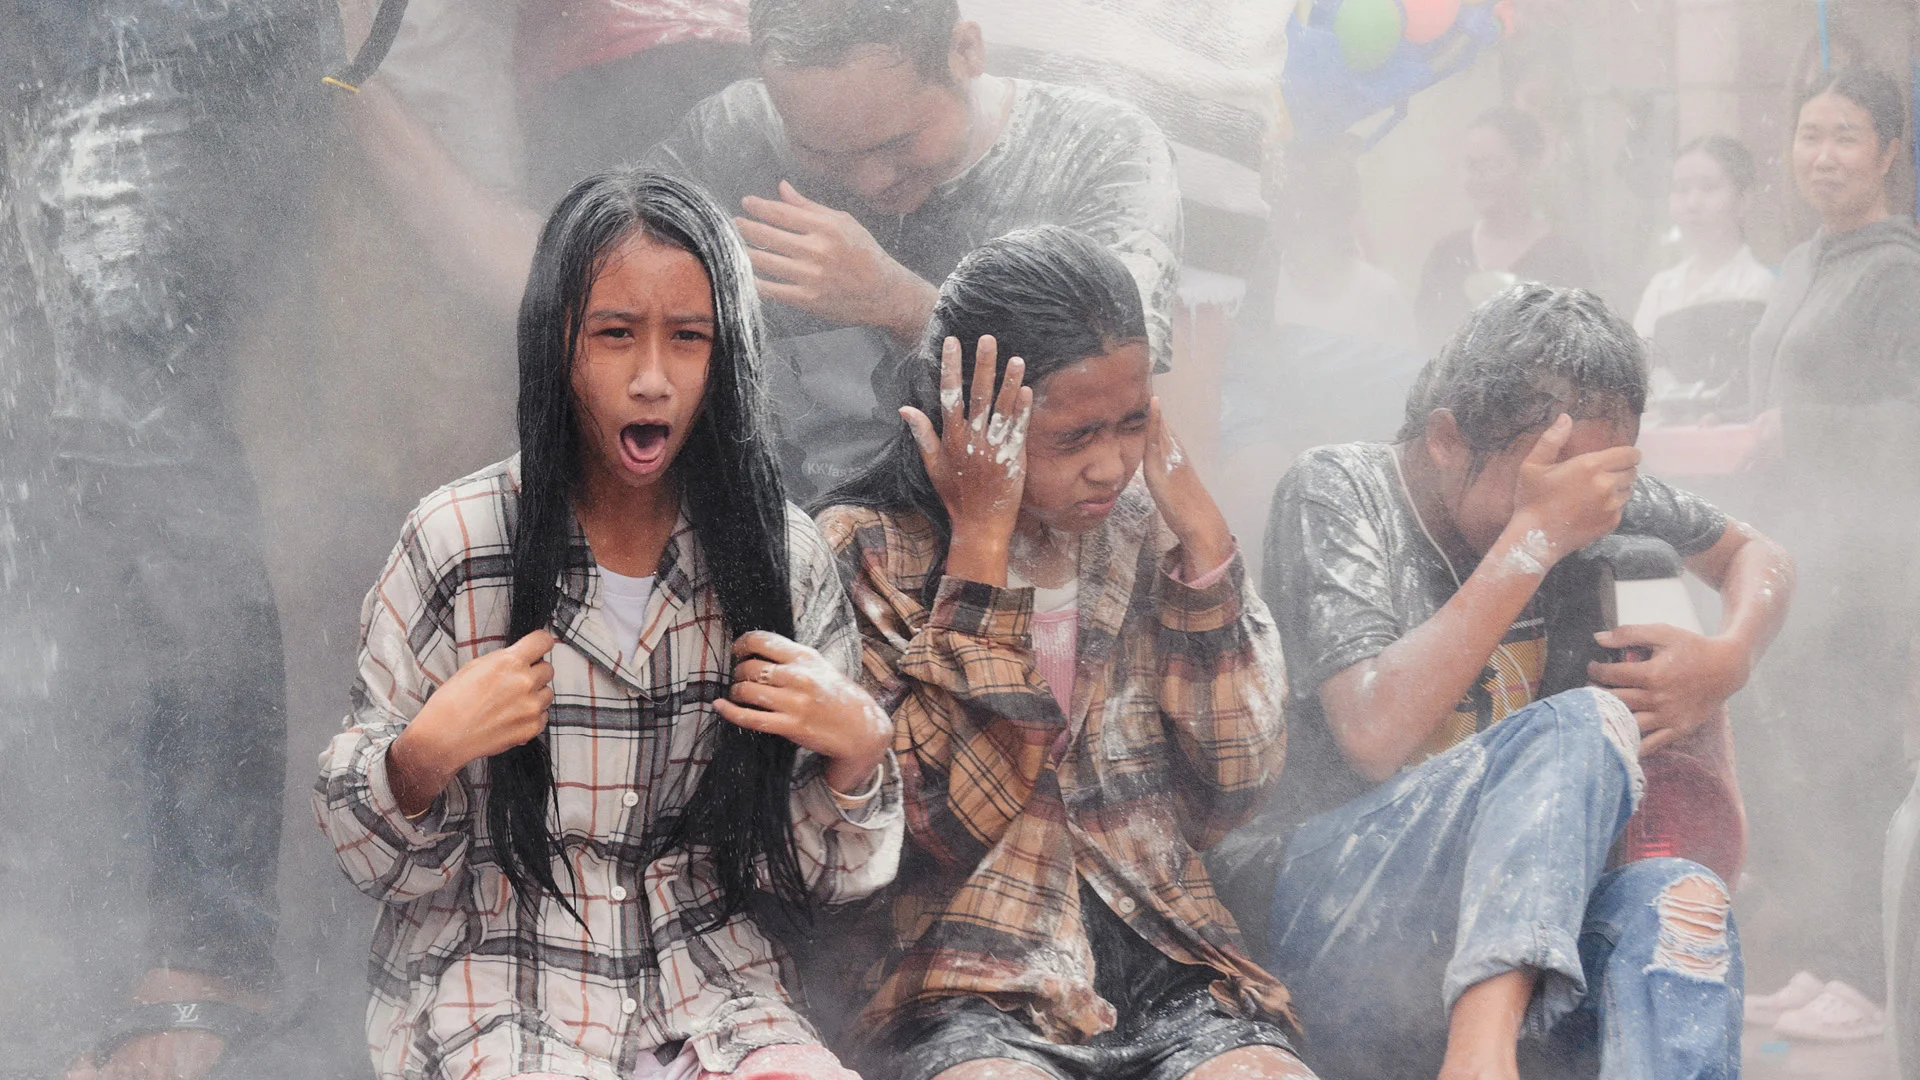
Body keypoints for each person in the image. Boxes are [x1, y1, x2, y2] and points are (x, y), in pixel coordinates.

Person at [313, 171, 903, 1080]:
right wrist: (420, 757)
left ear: (729, 353)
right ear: (560, 344)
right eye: (616, 335)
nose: (652, 379)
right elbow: (370, 865)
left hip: (716, 992)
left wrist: (859, 751)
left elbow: (820, 881)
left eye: (688, 338)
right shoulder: (457, 541)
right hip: (496, 991)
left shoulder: (779, 561)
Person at [1211, 284, 1793, 1080]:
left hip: (1502, 921)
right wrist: (1534, 538)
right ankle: (1479, 1059)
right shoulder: (1338, 490)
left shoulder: (1580, 494)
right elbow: (1375, 733)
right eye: (1546, 481)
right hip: (1323, 904)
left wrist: (1727, 661)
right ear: (1448, 439)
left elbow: (1760, 557)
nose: (1579, 501)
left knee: (1680, 903)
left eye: (1598, 479)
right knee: (1582, 725)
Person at [814, 226, 1311, 1080]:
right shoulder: (864, 552)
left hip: (1165, 951)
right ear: (965, 413)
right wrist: (979, 548)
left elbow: (1235, 789)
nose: (1111, 466)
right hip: (964, 979)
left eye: (1129, 425)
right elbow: (938, 822)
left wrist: (1204, 549)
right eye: (1074, 437)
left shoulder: (1141, 534)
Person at [0, 3, 326, 1077]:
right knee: (32, 458)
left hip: (175, 23)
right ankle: (69, 910)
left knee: (133, 428)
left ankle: (207, 942)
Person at [645, 0, 1180, 500]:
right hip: (777, 528)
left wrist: (895, 300)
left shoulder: (1098, 150)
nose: (869, 183)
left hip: (1000, 535)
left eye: (897, 143)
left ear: (965, 51)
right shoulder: (735, 134)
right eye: (817, 150)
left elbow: (1103, 390)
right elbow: (595, 287)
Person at [1740, 67, 1920, 1042]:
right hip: (1799, 548)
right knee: (1796, 756)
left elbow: (1907, 424)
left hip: (1867, 567)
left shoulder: (1899, 272)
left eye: (1846, 136)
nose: (1823, 155)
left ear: (1891, 151)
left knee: (1852, 762)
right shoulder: (1810, 259)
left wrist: (1792, 427)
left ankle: (1871, 974)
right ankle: (1821, 956)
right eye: (1810, 134)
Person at [1417, 106, 1595, 353]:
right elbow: (1427, 341)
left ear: (1529, 168)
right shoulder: (1446, 255)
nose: (1476, 178)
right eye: (1468, 165)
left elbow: (1577, 348)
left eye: (1491, 165)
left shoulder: (1563, 258)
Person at [1632, 135, 1774, 419]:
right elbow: (1637, 380)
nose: (1692, 203)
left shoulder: (1760, 286)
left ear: (1743, 200)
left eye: (1709, 188)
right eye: (1681, 189)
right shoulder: (1661, 288)